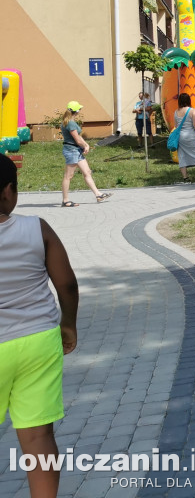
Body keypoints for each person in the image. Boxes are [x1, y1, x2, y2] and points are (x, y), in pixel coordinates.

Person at [0, 153, 80, 498]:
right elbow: (67, 285)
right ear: (7, 192)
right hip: (38, 340)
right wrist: (69, 324)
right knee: (38, 438)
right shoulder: (37, 227)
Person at [59, 101, 111, 206]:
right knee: (68, 176)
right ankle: (65, 200)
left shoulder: (69, 121)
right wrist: (84, 146)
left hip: (76, 150)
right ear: (77, 111)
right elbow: (77, 140)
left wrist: (86, 144)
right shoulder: (70, 123)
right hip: (72, 150)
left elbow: (78, 136)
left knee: (87, 172)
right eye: (79, 109)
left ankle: (98, 195)